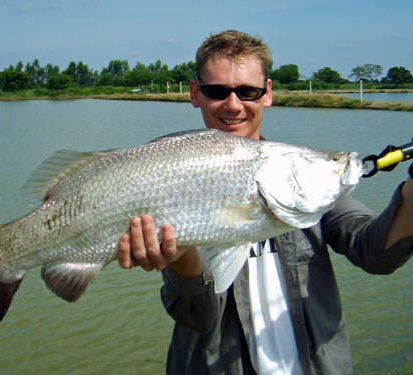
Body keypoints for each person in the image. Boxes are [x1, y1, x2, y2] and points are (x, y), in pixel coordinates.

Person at [118, 30, 413, 374]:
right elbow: (195, 317)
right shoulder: (171, 177)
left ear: (267, 94)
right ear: (195, 93)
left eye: (248, 91)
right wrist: (183, 263)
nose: (233, 104)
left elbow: (376, 253)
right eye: (216, 91)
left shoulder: (299, 176)